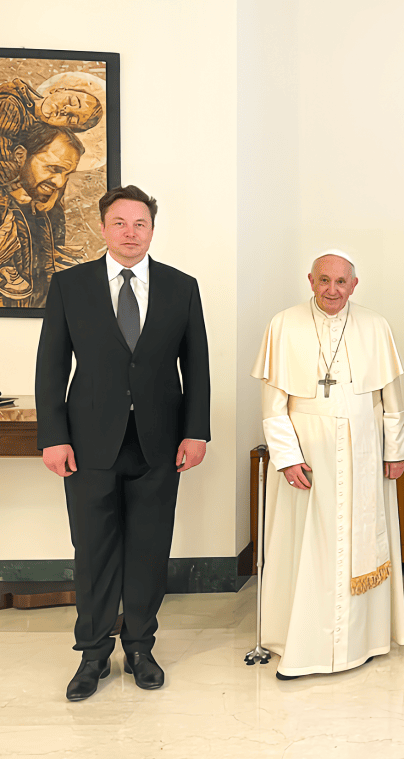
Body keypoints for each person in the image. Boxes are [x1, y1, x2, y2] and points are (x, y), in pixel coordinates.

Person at [35, 185, 211, 701]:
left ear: (152, 229)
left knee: (150, 548)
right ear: (103, 227)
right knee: (92, 550)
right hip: (89, 442)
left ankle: (139, 647)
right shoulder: (70, 285)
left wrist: (196, 430)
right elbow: (51, 366)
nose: (130, 233)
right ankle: (93, 653)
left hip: (160, 441)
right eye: (120, 223)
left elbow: (196, 365)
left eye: (140, 224)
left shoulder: (181, 286)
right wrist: (54, 437)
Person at [252, 249, 404, 680]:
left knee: (360, 541)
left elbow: (392, 401)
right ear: (311, 281)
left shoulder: (375, 326)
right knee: (305, 545)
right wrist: (287, 458)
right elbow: (272, 407)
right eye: (324, 280)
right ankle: (300, 642)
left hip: (363, 454)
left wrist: (394, 452)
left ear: (354, 285)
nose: (332, 290)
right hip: (306, 458)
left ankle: (362, 641)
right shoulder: (284, 325)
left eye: (341, 282)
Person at [0, 123, 84, 305]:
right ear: (20, 156)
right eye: (54, 169)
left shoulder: (52, 213)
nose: (60, 182)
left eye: (67, 175)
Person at [0, 76, 101, 189]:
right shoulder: (10, 104)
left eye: (71, 119)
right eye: (71, 101)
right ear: (58, 90)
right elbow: (5, 167)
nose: (66, 110)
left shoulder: (35, 131)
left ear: (63, 128)